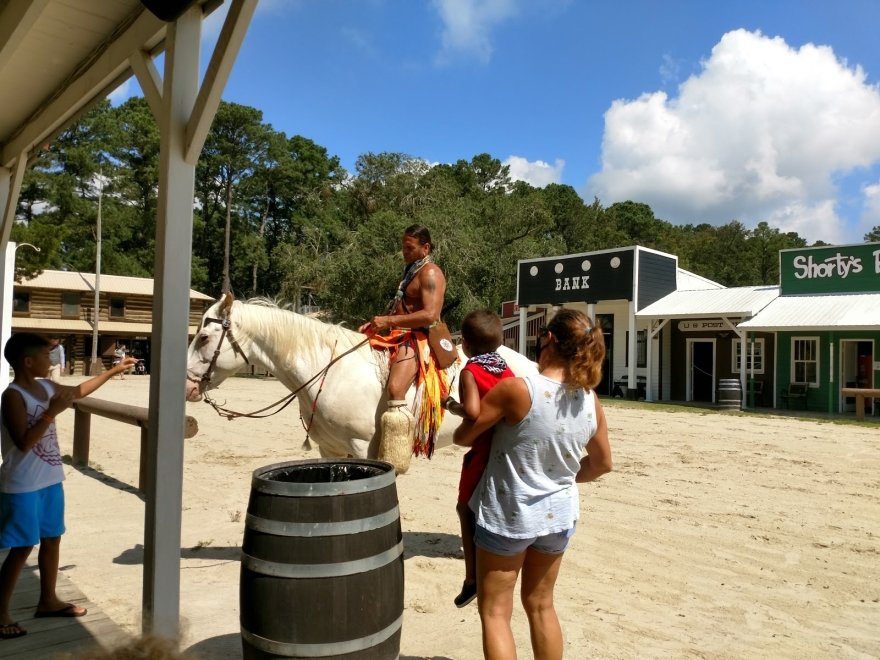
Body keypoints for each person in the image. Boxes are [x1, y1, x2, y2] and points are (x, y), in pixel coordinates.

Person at [453, 308, 612, 659]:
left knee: (495, 612)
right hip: (559, 516)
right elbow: (602, 464)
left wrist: (467, 415)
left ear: (550, 339)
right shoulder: (590, 399)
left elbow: (465, 437)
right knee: (541, 605)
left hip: (510, 515)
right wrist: (563, 477)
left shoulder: (517, 390)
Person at [0, 333, 137, 640]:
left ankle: (48, 600)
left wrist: (113, 371)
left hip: (50, 480)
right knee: (22, 548)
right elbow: (23, 443)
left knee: (52, 540)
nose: (52, 361)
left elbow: (76, 391)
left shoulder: (47, 387)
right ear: (27, 361)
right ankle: (0, 612)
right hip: (21, 485)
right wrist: (51, 414)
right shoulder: (13, 395)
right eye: (45, 356)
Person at [359, 225, 448, 469]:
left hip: (417, 339)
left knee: (396, 388)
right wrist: (376, 324)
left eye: (409, 248)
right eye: (403, 248)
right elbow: (401, 306)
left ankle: (394, 457)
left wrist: (387, 321)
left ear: (425, 247)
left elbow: (431, 315)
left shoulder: (430, 273)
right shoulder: (412, 270)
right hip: (398, 335)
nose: (404, 253)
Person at [443, 309, 514, 609]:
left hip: (483, 448)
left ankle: (471, 578)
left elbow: (473, 412)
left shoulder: (471, 370)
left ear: (466, 344)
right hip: (505, 446)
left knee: (464, 508)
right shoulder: (505, 368)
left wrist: (452, 406)